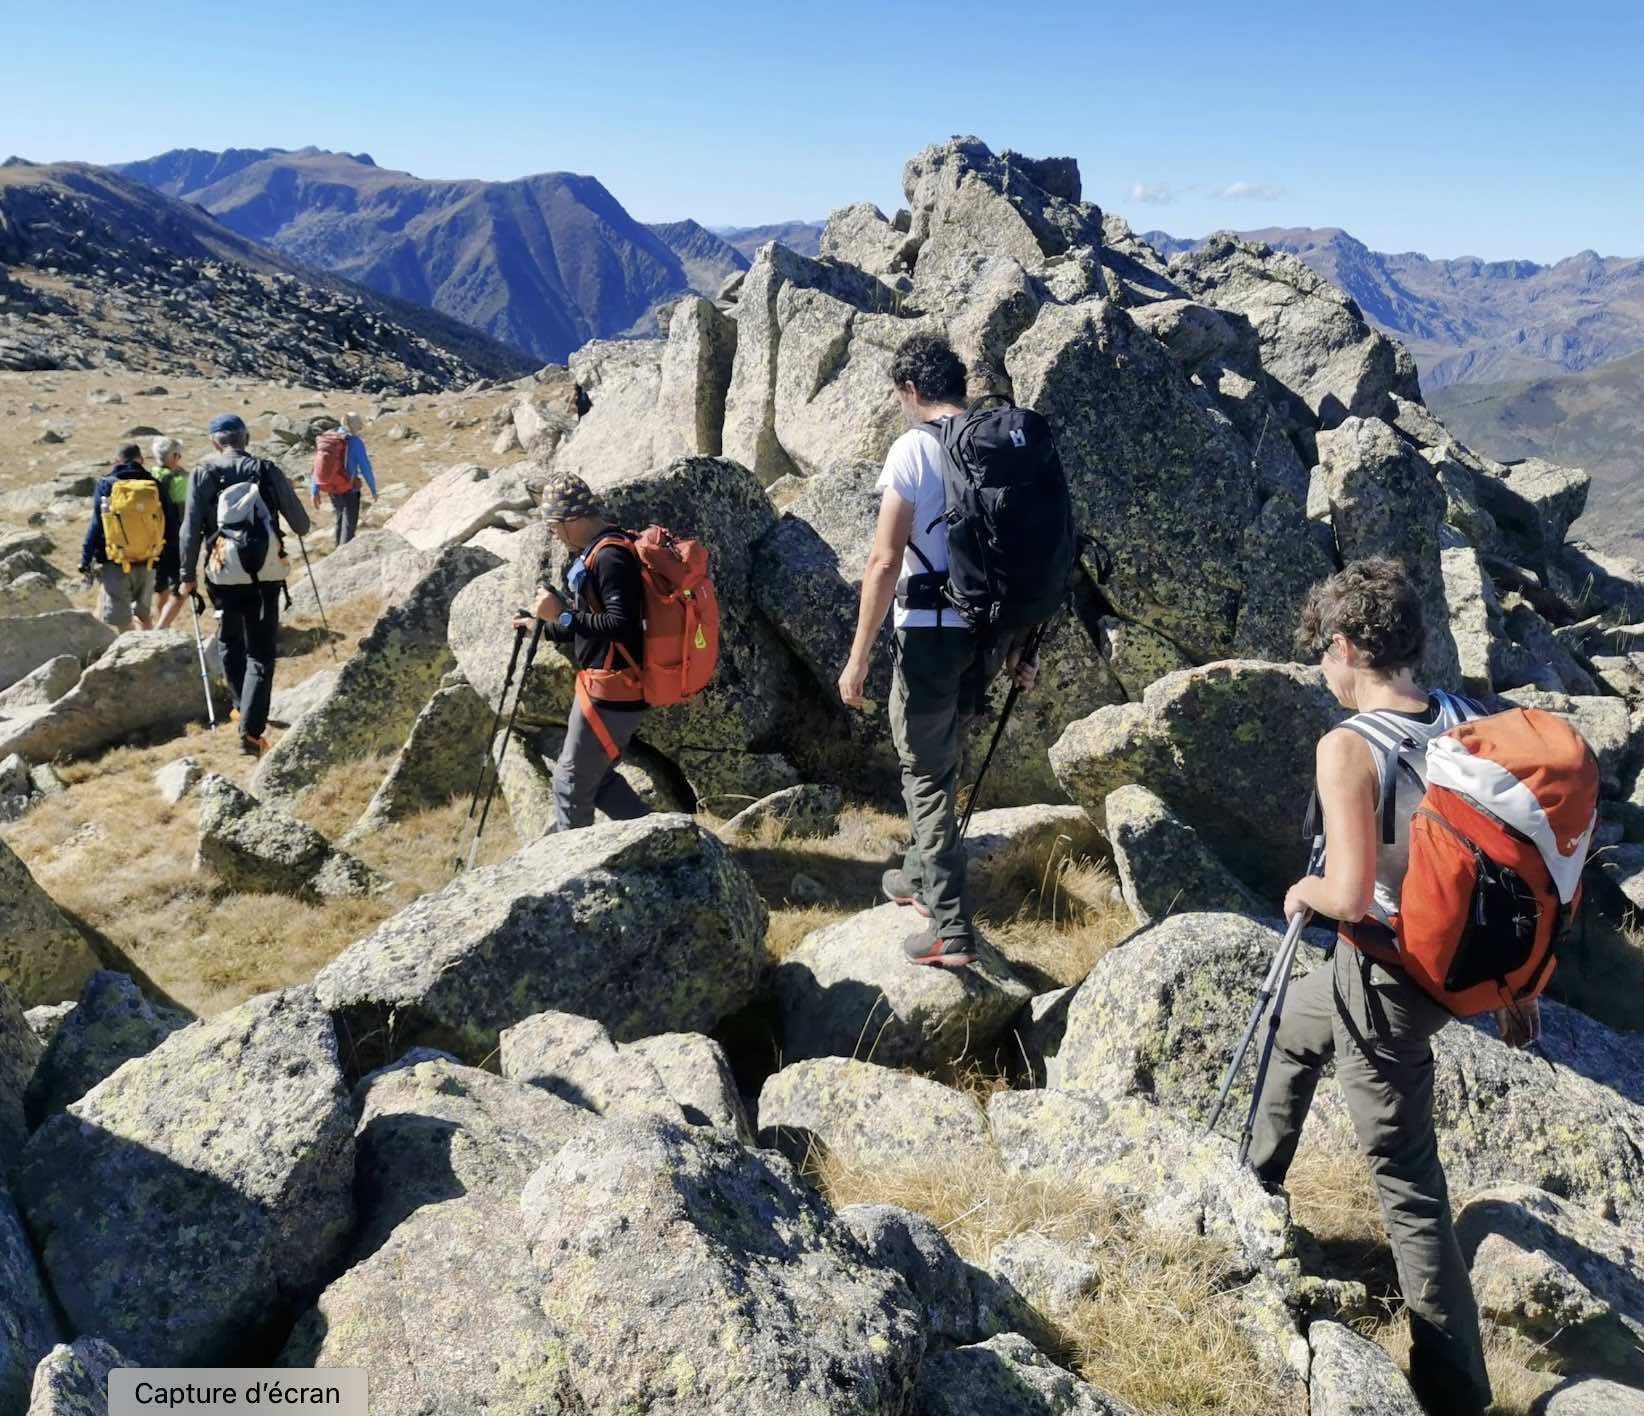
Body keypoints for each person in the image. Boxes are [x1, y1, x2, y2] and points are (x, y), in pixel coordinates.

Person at [1248, 557, 1494, 1414]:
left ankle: (1457, 1391)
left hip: (1386, 980)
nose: (1323, 667)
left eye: (1324, 650)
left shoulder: (1348, 746)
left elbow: (1347, 894)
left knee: (1408, 1180)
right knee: (1293, 1023)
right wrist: (1522, 986)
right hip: (1455, 968)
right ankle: (1252, 1189)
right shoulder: (1464, 720)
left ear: (1349, 646)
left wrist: (1301, 892)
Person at [836, 332, 1038, 969]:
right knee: (942, 757)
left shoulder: (911, 449)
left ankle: (950, 928)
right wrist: (1019, 647)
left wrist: (859, 655)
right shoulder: (997, 446)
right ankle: (918, 876)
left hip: (925, 633)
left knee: (923, 774)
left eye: (900, 395)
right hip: (986, 636)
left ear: (913, 391)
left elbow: (884, 559)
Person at [514, 470, 652, 832]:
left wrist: (561, 613)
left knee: (570, 785)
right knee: (599, 779)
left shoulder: (610, 558)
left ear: (572, 520)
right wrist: (542, 628)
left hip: (613, 691)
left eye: (554, 526)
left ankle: (573, 873)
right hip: (609, 685)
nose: (554, 535)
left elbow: (621, 625)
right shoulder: (601, 550)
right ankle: (659, 841)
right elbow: (593, 625)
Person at [179, 414, 311, 756]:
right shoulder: (267, 470)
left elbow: (190, 529)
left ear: (214, 443)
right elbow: (301, 524)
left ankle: (241, 705)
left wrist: (186, 576)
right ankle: (251, 732)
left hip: (222, 572)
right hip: (265, 573)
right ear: (246, 438)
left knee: (229, 639)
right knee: (261, 653)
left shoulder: (202, 473)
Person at [79, 443, 165, 633]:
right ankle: (151, 648)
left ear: (117, 461)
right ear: (141, 460)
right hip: (149, 559)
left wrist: (85, 559)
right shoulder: (153, 484)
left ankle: (129, 654)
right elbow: (169, 523)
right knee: (144, 615)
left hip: (116, 560)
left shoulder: (107, 483)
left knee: (120, 618)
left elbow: (97, 524)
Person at [311, 411, 377, 548]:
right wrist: (373, 489)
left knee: (340, 520)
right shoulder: (355, 442)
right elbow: (365, 467)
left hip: (332, 487)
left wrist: (315, 491)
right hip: (349, 488)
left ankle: (337, 550)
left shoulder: (329, 439)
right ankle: (343, 555)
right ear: (356, 426)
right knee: (349, 525)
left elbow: (317, 466)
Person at [149, 436, 191, 629]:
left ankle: (159, 622)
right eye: (178, 454)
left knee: (160, 586)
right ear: (173, 456)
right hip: (175, 540)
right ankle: (162, 626)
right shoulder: (180, 480)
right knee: (183, 585)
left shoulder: (150, 476)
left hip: (153, 541)